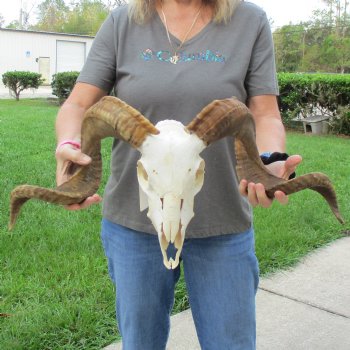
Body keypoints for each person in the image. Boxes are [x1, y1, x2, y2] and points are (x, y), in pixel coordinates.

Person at [55, 0, 301, 349]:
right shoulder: (122, 22)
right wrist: (68, 144)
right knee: (141, 343)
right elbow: (78, 105)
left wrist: (269, 159)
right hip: (135, 222)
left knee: (230, 343)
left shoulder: (250, 21)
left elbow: (264, 113)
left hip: (221, 221)